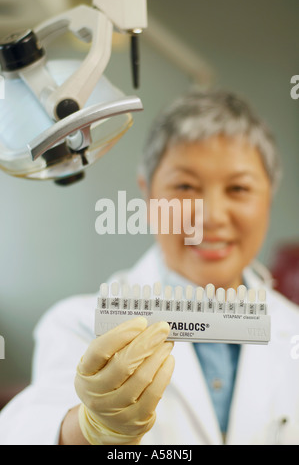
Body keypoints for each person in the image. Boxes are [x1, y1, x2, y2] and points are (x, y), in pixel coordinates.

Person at [0, 89, 299, 445]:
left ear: (269, 196)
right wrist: (90, 429)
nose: (211, 217)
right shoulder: (78, 323)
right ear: (148, 193)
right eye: (185, 186)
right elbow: (27, 429)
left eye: (238, 188)